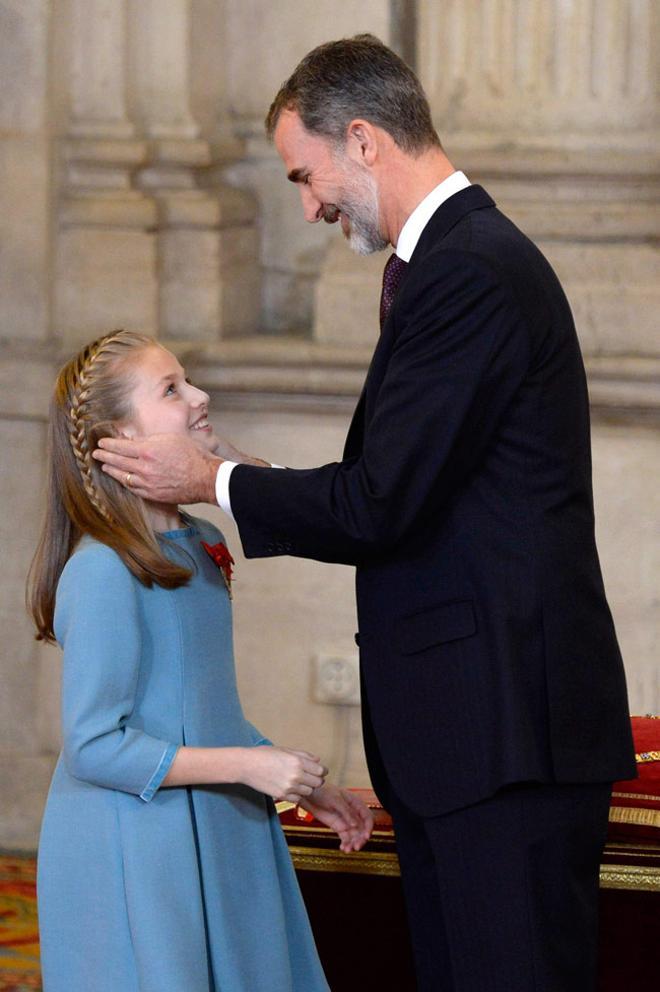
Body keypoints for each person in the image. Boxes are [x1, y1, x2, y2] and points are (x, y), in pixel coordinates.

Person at [93, 36, 637, 992]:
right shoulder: (454, 264)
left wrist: (207, 479)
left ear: (363, 140)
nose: (308, 205)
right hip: (475, 742)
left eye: (306, 175)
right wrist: (240, 475)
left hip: (502, 742)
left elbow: (378, 502)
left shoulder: (469, 270)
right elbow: (405, 483)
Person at [28, 329, 373, 992]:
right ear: (118, 439)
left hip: (214, 824)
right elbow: (94, 746)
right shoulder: (101, 571)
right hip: (135, 848)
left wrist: (302, 782)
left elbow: (202, 710)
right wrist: (250, 766)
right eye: (171, 389)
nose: (199, 396)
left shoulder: (203, 542)